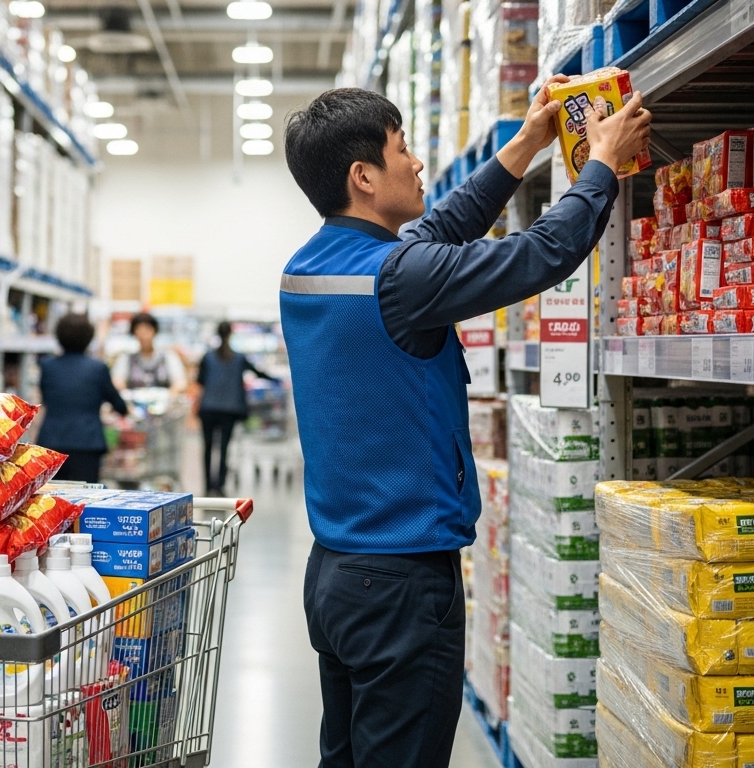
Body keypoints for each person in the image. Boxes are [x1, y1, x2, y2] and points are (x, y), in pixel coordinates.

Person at [281, 81, 650, 768]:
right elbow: (541, 254)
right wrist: (600, 165)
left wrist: (525, 144)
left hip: (335, 574)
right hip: (401, 585)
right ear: (364, 177)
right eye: (402, 151)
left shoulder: (310, 269)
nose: (418, 164)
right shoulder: (399, 278)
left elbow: (436, 228)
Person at [37, 313, 128, 483]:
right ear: (89, 337)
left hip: (52, 441)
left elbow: (46, 398)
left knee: (53, 498)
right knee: (86, 498)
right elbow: (117, 402)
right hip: (88, 442)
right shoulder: (98, 368)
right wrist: (123, 409)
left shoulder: (47, 366)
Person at [195, 321, 279, 495]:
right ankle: (220, 484)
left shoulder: (208, 357)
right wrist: (276, 380)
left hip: (209, 408)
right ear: (231, 334)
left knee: (208, 446)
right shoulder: (239, 358)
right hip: (230, 409)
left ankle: (208, 485)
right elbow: (258, 373)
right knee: (224, 447)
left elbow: (200, 381)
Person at [111, 312, 188, 392]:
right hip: (134, 402)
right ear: (134, 333)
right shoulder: (126, 357)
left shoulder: (168, 356)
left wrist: (172, 393)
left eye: (147, 330)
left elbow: (180, 382)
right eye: (139, 330)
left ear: (155, 331)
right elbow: (117, 381)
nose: (143, 335)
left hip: (164, 402)